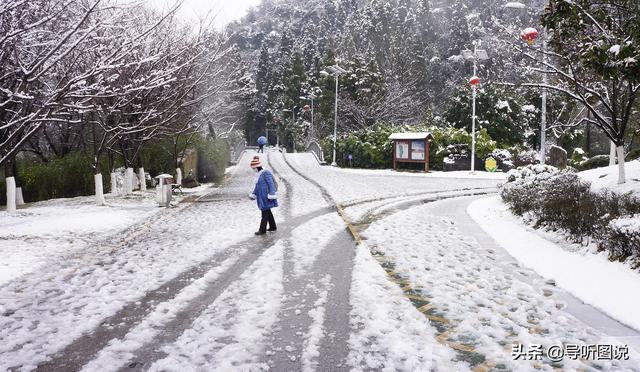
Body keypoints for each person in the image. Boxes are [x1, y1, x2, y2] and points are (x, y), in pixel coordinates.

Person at [248, 156, 278, 235]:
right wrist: (253, 194)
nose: (253, 169)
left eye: (253, 168)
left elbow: (271, 184)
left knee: (264, 213)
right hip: (262, 197)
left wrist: (271, 194)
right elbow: (257, 186)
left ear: (256, 167)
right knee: (268, 211)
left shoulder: (265, 173)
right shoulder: (258, 174)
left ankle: (262, 230)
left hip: (266, 197)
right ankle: (273, 226)